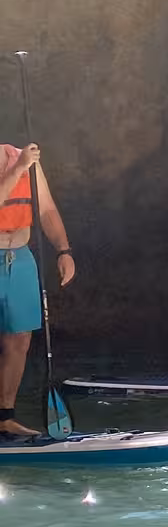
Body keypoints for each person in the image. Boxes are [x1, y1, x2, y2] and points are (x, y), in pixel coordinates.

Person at [0, 142, 74, 438]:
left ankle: (4, 417)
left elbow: (46, 209)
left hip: (19, 258)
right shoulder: (22, 163)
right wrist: (18, 169)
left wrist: (64, 250)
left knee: (19, 341)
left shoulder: (23, 157)